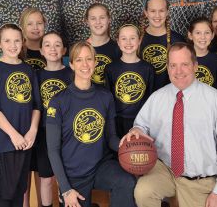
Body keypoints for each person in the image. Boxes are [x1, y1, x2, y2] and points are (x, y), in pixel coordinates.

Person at [121, 42, 217, 207]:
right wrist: (136, 129)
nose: (178, 71)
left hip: (198, 180)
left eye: (184, 65)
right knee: (143, 191)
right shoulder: (158, 97)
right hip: (165, 170)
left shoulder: (215, 100)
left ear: (195, 66)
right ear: (168, 68)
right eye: (173, 66)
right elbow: (141, 124)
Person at [46, 41, 136, 207]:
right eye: (79, 60)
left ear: (95, 62)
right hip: (74, 174)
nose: (85, 64)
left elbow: (111, 138)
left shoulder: (105, 96)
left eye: (89, 59)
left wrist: (129, 145)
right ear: (71, 65)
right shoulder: (58, 101)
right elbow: (52, 150)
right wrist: (65, 189)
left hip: (101, 166)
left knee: (127, 182)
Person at [0, 23, 41, 207]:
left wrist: (32, 131)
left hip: (25, 142)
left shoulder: (28, 70)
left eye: (16, 40)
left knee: (18, 194)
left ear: (23, 43)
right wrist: (13, 134)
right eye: (7, 41)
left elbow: (36, 106)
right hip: (5, 143)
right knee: (4, 197)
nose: (12, 45)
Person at [36, 31, 72, 207]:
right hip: (45, 133)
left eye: (57, 45)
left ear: (64, 50)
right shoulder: (36, 76)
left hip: (67, 133)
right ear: (41, 50)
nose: (52, 49)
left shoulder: (71, 74)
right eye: (48, 45)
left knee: (66, 177)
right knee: (46, 179)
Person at [104, 24, 155, 138]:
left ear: (139, 40)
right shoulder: (111, 68)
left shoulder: (148, 68)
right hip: (117, 121)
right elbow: (108, 99)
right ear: (118, 41)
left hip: (141, 122)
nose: (128, 42)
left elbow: (151, 99)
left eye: (132, 38)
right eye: (124, 38)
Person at [19, 7, 47, 207]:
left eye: (39, 23)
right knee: (23, 171)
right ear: (22, 26)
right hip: (21, 120)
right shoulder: (18, 52)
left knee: (42, 170)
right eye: (30, 23)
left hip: (45, 121)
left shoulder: (49, 49)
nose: (35, 28)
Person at [140, 0, 185, 91]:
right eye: (152, 11)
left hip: (170, 97)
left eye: (161, 10)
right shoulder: (136, 40)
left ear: (167, 12)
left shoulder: (178, 40)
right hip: (143, 99)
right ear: (146, 13)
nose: (157, 15)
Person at [85, 3, 121, 85]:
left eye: (102, 17)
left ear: (109, 20)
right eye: (93, 18)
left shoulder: (118, 48)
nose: (98, 22)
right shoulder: (80, 49)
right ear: (87, 22)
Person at [187, 17, 217, 89]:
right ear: (190, 35)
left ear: (212, 35)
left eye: (207, 33)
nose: (203, 37)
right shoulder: (183, 58)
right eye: (198, 33)